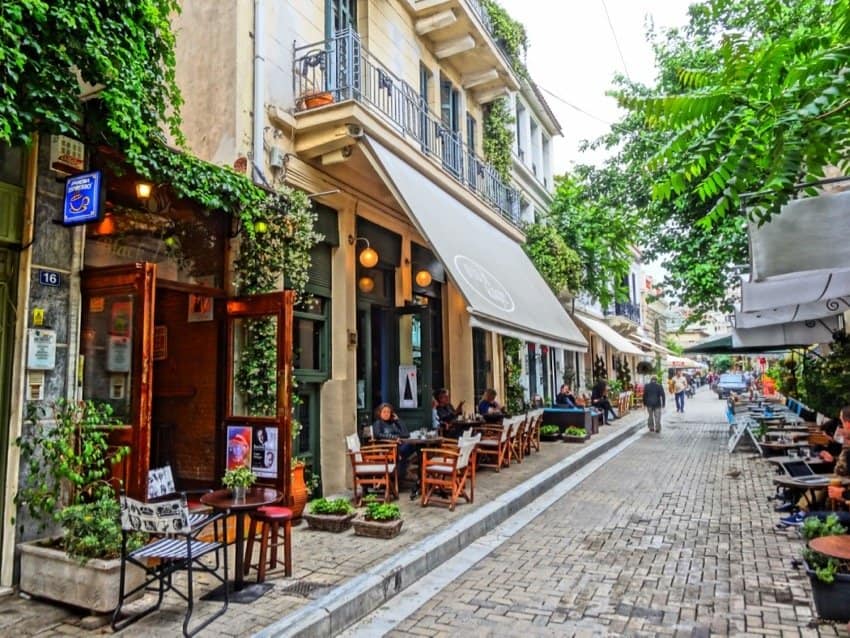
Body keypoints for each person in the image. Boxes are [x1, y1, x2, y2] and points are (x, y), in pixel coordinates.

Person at [372, 403, 416, 482]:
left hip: (398, 447)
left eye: (388, 412)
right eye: (384, 412)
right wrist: (393, 438)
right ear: (379, 413)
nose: (386, 414)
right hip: (387, 449)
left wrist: (398, 421)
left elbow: (406, 434)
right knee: (405, 452)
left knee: (413, 445)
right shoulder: (378, 423)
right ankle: (401, 468)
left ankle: (402, 464)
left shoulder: (393, 423)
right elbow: (377, 435)